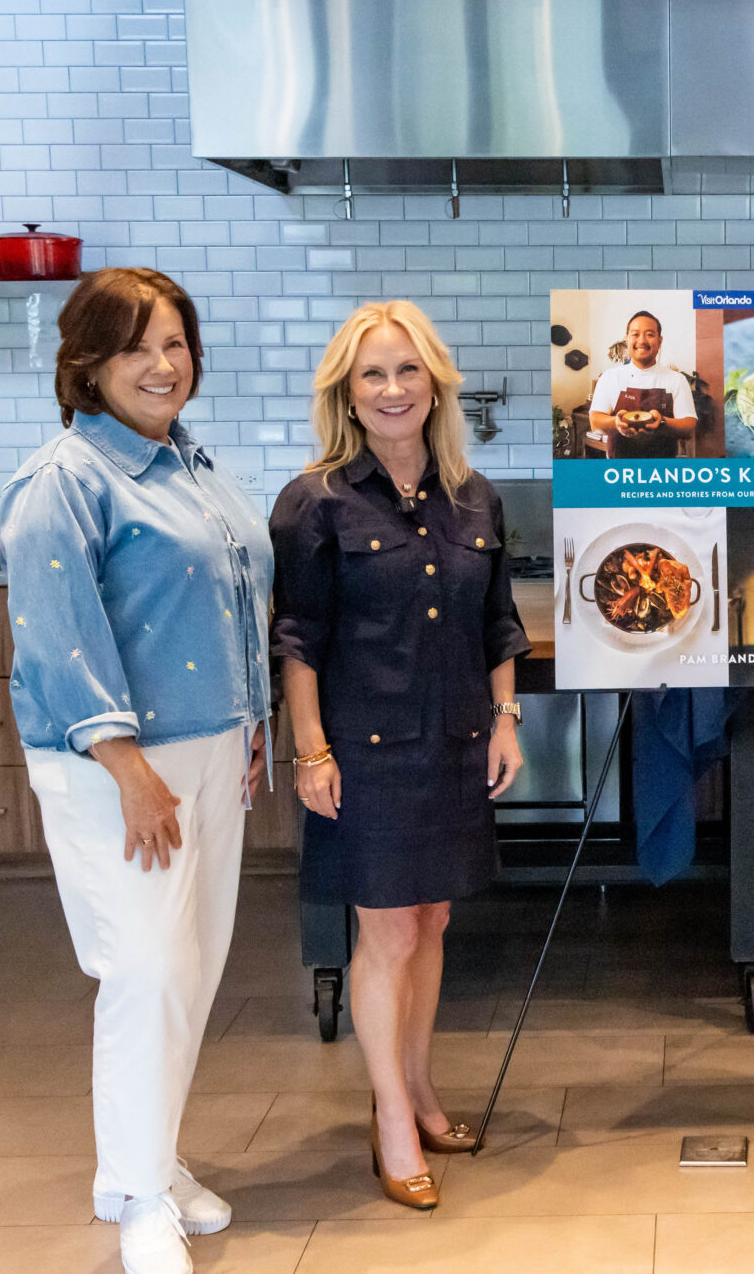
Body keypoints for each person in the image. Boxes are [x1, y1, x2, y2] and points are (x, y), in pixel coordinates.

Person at [0, 267, 272, 1274]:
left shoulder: (189, 465)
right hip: (121, 762)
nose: (164, 365)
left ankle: (148, 1163)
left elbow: (230, 599)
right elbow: (56, 636)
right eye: (137, 347)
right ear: (88, 364)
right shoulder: (64, 481)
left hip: (209, 747)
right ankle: (136, 1200)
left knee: (189, 967)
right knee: (144, 968)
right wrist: (126, 763)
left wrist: (251, 719)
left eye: (176, 342)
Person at [269, 300, 529, 1213]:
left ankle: (419, 1090)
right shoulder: (316, 500)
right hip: (365, 753)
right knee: (385, 934)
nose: (391, 390)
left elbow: (500, 622)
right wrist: (310, 753)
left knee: (431, 927)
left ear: (435, 383)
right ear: (347, 388)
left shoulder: (475, 497)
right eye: (372, 374)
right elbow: (296, 637)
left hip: (456, 742)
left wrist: (505, 721)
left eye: (407, 371)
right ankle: (389, 1120)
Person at [587, 310, 698, 457]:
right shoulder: (610, 377)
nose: (642, 340)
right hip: (620, 469)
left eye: (650, 334)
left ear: (660, 341)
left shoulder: (676, 379)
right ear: (626, 340)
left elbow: (689, 426)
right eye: (635, 334)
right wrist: (617, 422)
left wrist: (662, 422)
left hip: (663, 470)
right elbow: (595, 421)